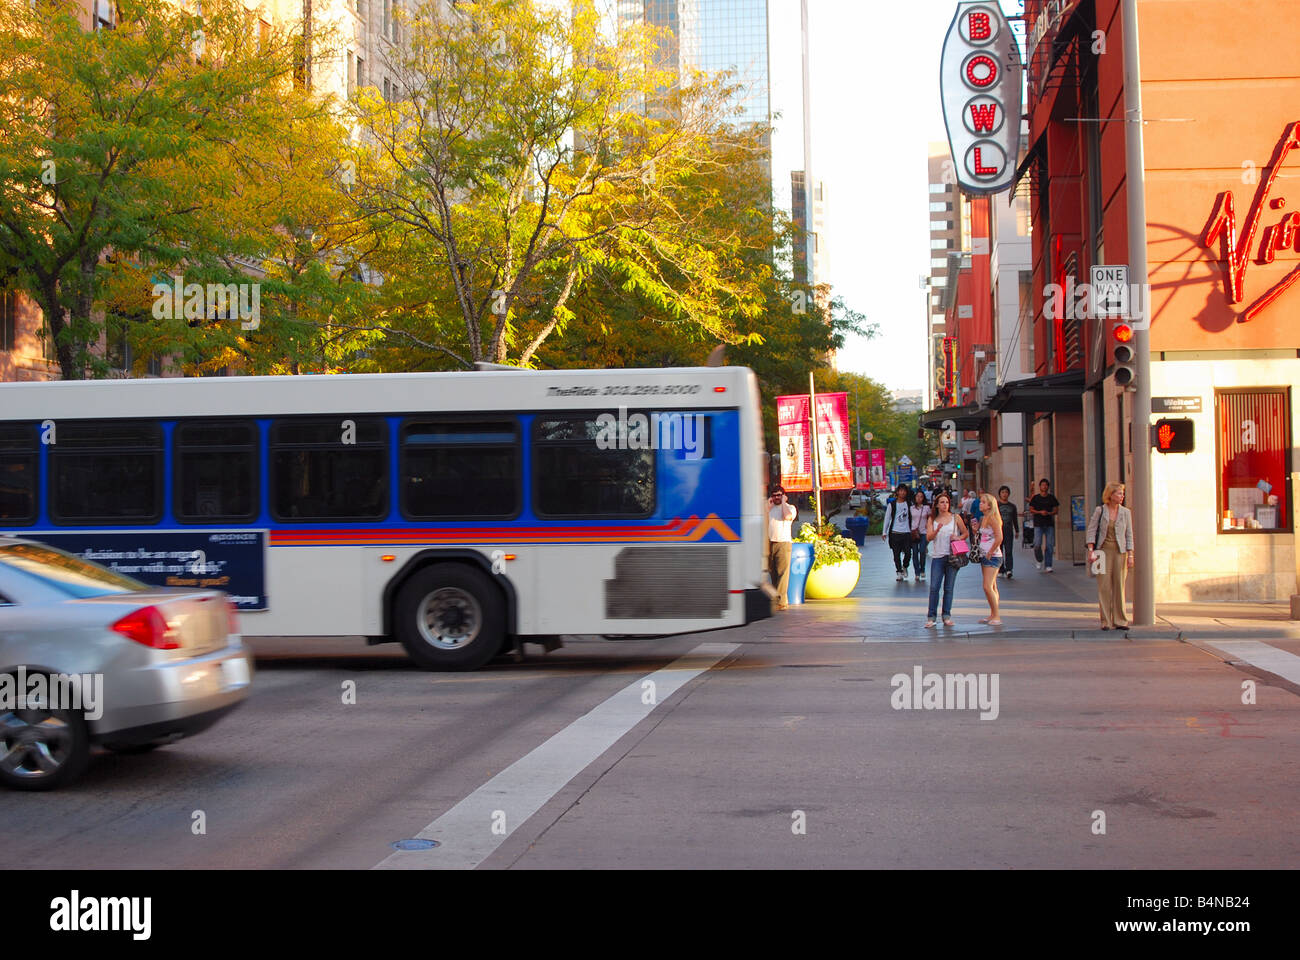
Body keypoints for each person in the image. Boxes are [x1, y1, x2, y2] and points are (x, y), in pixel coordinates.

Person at [1086, 481, 1135, 630]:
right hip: (1102, 552)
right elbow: (1091, 530)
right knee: (1104, 587)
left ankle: (1120, 620)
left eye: (1122, 493)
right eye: (1119, 493)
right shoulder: (1100, 510)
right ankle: (1106, 621)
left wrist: (1131, 554)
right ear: (1111, 495)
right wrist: (1091, 550)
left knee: (1119, 586)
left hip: (1120, 553)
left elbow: (1129, 535)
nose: (1122, 496)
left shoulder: (1126, 512)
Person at [924, 491, 969, 628]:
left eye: (947, 502)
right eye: (942, 502)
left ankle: (946, 616)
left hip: (952, 557)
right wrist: (936, 530)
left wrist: (958, 538)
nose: (945, 505)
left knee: (949, 588)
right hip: (938, 556)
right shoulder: (932, 519)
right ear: (937, 505)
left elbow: (966, 533)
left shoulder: (956, 518)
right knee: (934, 588)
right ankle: (931, 617)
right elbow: (928, 538)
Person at [767, 484, 798, 610]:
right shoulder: (770, 508)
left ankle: (781, 601)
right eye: (774, 496)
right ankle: (777, 600)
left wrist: (784, 502)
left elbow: (787, 516)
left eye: (779, 495)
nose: (776, 498)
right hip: (770, 542)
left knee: (782, 573)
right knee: (772, 573)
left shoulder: (790, 508)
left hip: (783, 543)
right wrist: (768, 504)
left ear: (784, 496)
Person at [976, 493, 1004, 625]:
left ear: (989, 505)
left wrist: (991, 551)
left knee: (987, 586)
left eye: (983, 502)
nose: (980, 504)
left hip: (992, 556)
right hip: (985, 555)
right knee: (992, 586)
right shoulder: (984, 518)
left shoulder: (992, 518)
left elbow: (999, 537)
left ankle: (996, 615)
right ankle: (993, 613)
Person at [881, 484, 913, 582]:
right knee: (896, 555)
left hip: (907, 532)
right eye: (901, 491)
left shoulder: (909, 504)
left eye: (904, 491)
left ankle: (905, 566)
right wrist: (884, 532)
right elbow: (887, 518)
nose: (902, 493)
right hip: (895, 533)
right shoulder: (892, 505)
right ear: (897, 492)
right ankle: (899, 572)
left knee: (908, 553)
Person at [1028, 478, 1060, 572]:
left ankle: (1048, 565)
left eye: (1046, 485)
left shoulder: (1051, 498)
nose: (1044, 486)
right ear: (1040, 486)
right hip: (1038, 524)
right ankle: (1039, 559)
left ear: (1048, 487)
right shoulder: (1036, 498)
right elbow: (1031, 509)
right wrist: (1039, 512)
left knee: (1049, 545)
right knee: (1037, 544)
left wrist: (1049, 513)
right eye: (1043, 485)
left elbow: (1056, 510)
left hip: (1049, 524)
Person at [996, 485, 1019, 579]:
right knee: (999, 551)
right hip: (998, 531)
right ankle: (1001, 569)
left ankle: (1009, 569)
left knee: (1009, 550)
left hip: (1009, 531)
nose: (1004, 494)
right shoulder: (996, 506)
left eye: (1006, 492)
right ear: (1000, 494)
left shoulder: (1012, 506)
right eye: (1002, 492)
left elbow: (1015, 519)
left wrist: (1017, 530)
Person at [909, 489, 931, 583]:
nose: (919, 498)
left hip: (923, 532)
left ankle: (922, 569)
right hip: (914, 532)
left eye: (921, 496)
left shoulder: (926, 508)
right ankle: (917, 573)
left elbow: (930, 518)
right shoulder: (911, 508)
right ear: (915, 497)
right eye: (917, 496)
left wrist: (929, 525)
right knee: (914, 553)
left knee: (922, 551)